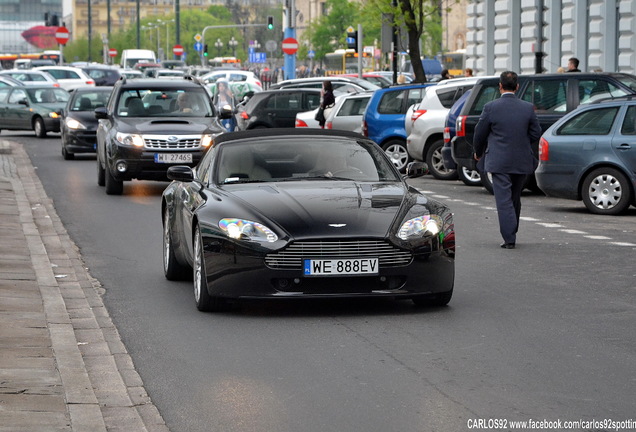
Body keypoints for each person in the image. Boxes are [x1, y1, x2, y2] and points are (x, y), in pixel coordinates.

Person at [472, 71, 542, 249]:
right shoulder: (527, 107)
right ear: (517, 87)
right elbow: (535, 133)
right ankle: (512, 229)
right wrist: (522, 143)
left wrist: (478, 152)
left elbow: (480, 134)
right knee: (514, 198)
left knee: (503, 200)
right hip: (522, 159)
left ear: (500, 86)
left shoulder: (491, 107)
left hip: (499, 160)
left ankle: (509, 238)